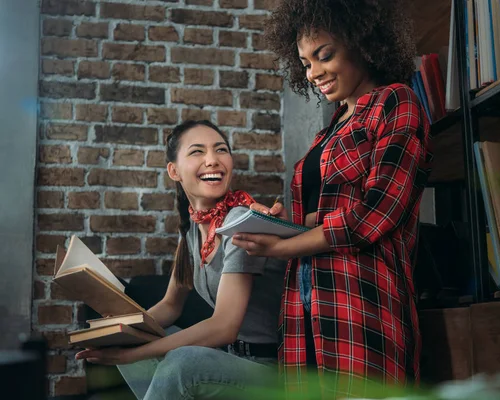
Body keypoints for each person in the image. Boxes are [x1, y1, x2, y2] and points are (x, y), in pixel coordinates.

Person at [231, 0, 433, 396]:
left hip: (362, 300)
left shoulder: (395, 103)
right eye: (306, 63)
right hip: (302, 302)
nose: (315, 73)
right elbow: (324, 215)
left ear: (364, 44)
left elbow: (376, 214)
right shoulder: (328, 129)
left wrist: (282, 248)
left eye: (325, 56)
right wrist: (278, 223)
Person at [75, 120, 286, 400]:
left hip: (269, 370)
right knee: (140, 341)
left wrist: (133, 354)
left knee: (182, 362)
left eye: (220, 150)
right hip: (228, 359)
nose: (212, 160)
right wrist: (120, 329)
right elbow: (170, 306)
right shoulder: (191, 234)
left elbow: (224, 326)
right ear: (174, 171)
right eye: (197, 152)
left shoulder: (241, 222)